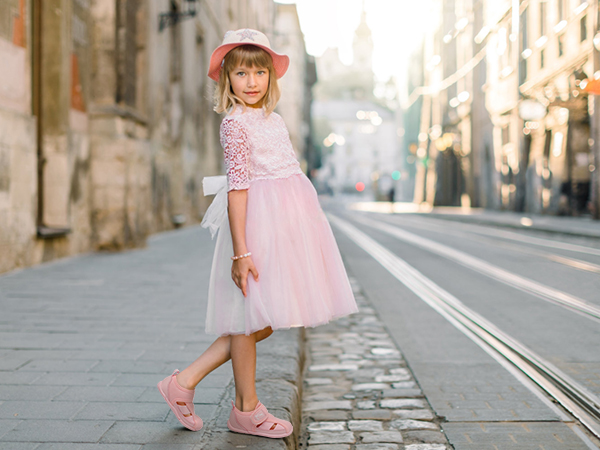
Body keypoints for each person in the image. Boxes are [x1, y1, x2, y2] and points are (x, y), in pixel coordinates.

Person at [157, 29, 358, 440]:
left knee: (261, 319)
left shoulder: (273, 119)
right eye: (242, 73)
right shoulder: (234, 125)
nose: (251, 82)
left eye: (260, 72)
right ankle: (244, 408)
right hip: (256, 229)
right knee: (250, 320)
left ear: (271, 78)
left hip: (286, 228)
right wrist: (241, 252)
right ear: (227, 79)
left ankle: (188, 382)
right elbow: (239, 188)